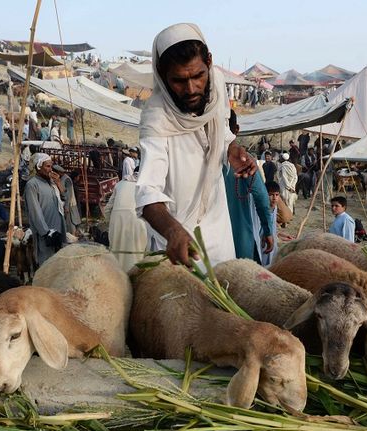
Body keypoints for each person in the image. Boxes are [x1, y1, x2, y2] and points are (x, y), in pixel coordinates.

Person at [135, 23, 255, 267]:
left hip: (219, 229)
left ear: (209, 62)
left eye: (198, 76)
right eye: (179, 80)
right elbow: (147, 192)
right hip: (179, 243)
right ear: (161, 73)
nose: (191, 89)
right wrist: (172, 231)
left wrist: (231, 149)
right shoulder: (157, 118)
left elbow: (221, 128)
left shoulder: (216, 85)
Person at [223, 109, 274, 264]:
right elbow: (262, 198)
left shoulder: (200, 160)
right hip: (240, 242)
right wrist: (268, 230)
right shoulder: (244, 160)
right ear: (236, 129)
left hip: (205, 244)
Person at [104, 167, 148, 272]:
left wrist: (110, 223)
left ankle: (118, 280)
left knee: (117, 251)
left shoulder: (120, 184)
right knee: (137, 251)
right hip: (138, 219)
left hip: (117, 218)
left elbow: (108, 208)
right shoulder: (145, 184)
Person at [25, 154, 67, 264]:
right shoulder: (32, 185)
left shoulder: (51, 182)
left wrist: (58, 182)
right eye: (47, 166)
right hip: (46, 232)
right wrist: (46, 232)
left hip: (58, 229)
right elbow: (35, 212)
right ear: (39, 167)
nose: (50, 170)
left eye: (51, 166)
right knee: (46, 263)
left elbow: (63, 199)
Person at [262, 181, 281, 266]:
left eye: (277, 195)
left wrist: (280, 235)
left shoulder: (274, 208)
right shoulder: (261, 210)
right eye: (271, 195)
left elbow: (272, 226)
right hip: (263, 243)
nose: (274, 198)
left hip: (273, 242)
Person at [59, 167, 81, 236]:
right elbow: (68, 195)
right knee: (72, 222)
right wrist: (66, 206)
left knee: (73, 220)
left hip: (72, 203)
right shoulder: (67, 180)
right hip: (70, 204)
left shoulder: (66, 180)